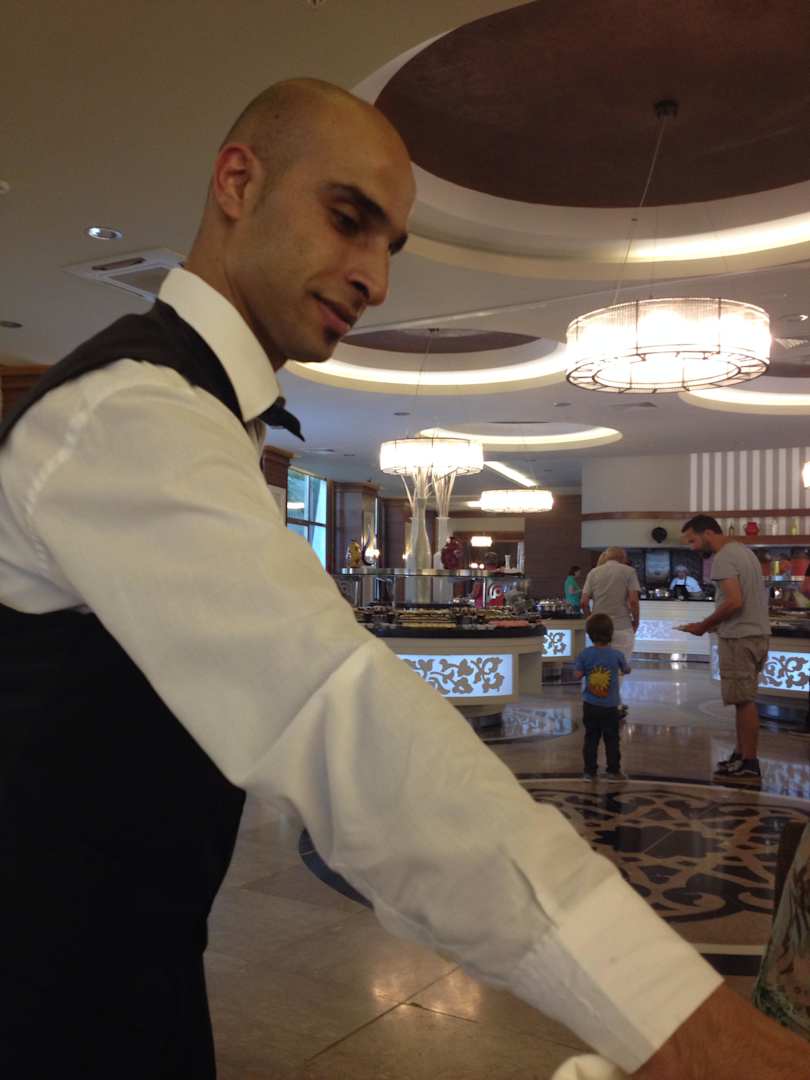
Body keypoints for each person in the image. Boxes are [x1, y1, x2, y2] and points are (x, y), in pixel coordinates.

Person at [0, 80, 805, 1080]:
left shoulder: (199, 411)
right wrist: (686, 1025)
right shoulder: (127, 413)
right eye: (349, 220)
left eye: (392, 246)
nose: (375, 279)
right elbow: (338, 715)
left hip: (132, 963)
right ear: (237, 183)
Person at [679, 515, 771, 782]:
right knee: (743, 699)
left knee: (744, 701)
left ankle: (749, 762)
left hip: (740, 637)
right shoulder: (744, 552)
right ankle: (740, 755)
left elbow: (734, 601)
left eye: (693, 541)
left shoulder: (723, 557)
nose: (693, 547)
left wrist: (703, 625)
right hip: (755, 634)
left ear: (708, 533)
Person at [580, 547, 640, 717]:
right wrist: (636, 621)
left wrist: (590, 619)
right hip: (622, 626)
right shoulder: (629, 572)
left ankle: (597, 702)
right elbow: (633, 601)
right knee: (619, 667)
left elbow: (583, 602)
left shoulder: (593, 573)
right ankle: (613, 705)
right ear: (623, 558)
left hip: (599, 626)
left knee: (598, 666)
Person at [575, 613, 630, 781]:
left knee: (591, 738)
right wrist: (624, 670)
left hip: (590, 705)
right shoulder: (617, 655)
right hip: (610, 706)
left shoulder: (584, 654)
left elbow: (578, 675)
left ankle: (589, 772)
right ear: (611, 633)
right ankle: (613, 770)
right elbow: (626, 669)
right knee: (612, 739)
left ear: (589, 634)